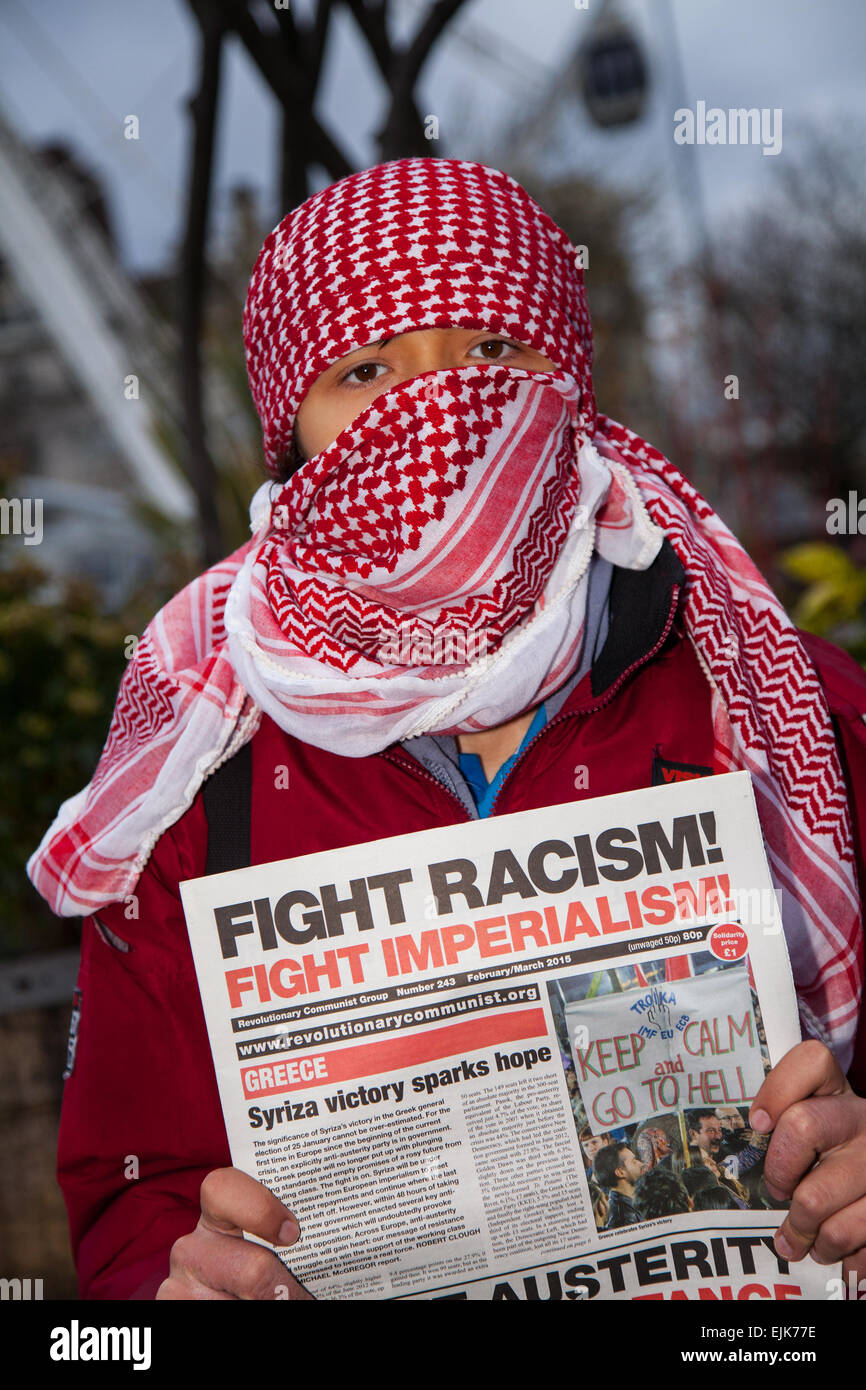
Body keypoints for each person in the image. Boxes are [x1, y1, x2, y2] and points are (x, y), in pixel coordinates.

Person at [24, 157, 866, 1301]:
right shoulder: (193, 782)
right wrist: (167, 1295)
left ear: (568, 380)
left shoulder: (796, 711)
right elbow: (136, 1197)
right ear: (295, 440)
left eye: (491, 352)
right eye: (365, 370)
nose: (434, 411)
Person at [593, 1144, 644, 1228]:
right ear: (620, 1172)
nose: (641, 1164)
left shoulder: (635, 1200)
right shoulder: (623, 1219)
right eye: (634, 1161)